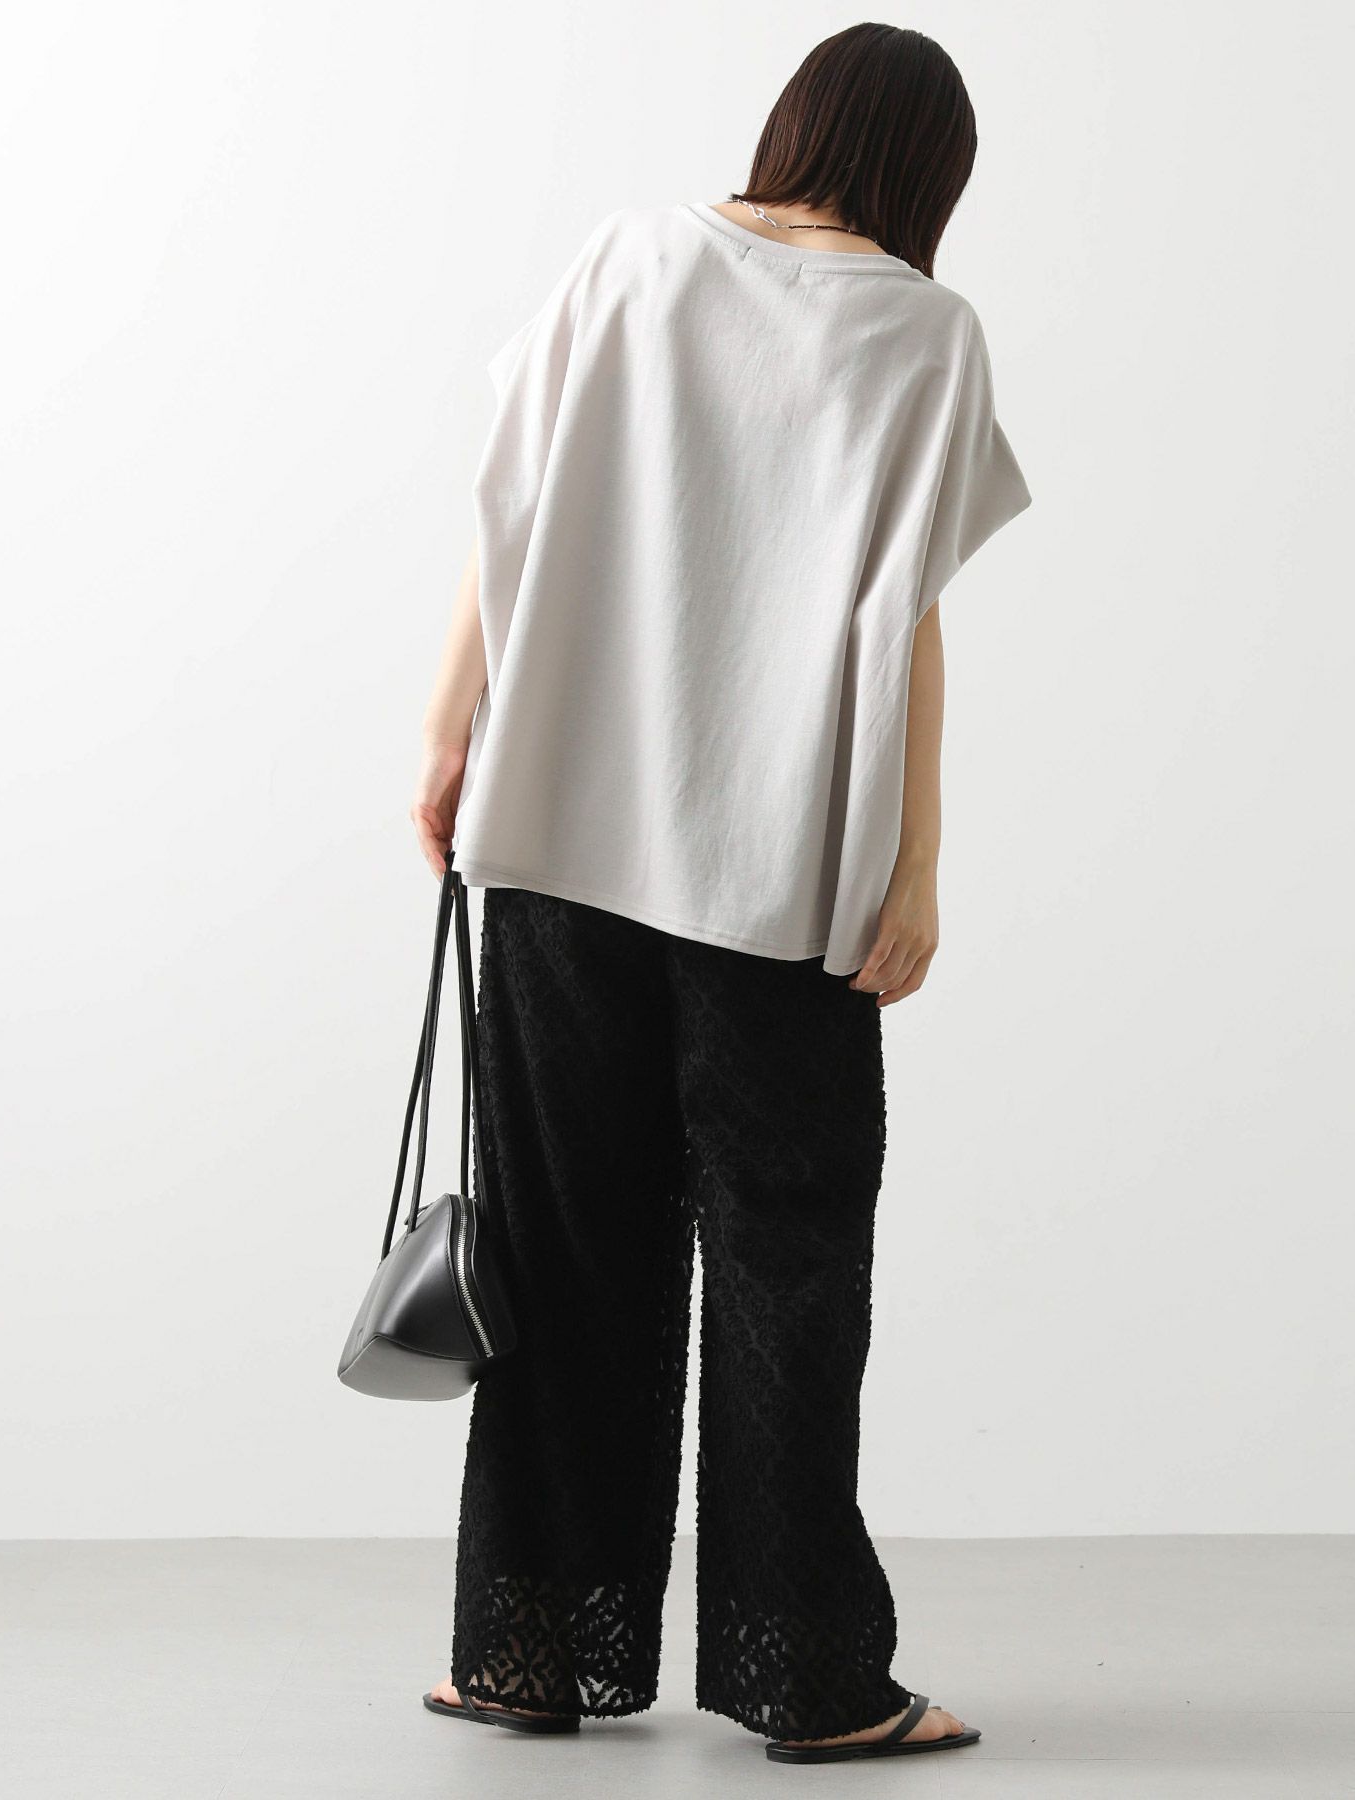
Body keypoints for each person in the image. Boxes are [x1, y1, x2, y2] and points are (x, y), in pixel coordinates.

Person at [408, 21, 1031, 1768]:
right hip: (779, 872)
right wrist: (916, 865)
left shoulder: (631, 255)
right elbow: (906, 616)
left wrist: (449, 732)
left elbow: (511, 501)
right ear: (929, 172)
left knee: (564, 1242)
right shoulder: (926, 331)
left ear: (794, 122)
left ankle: (532, 1651)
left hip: (562, 835)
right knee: (789, 1270)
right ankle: (805, 1677)